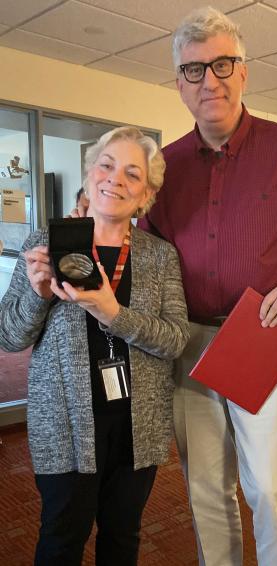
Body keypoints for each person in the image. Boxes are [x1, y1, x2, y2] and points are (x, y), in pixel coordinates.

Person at [138, 7, 277, 566]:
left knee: (268, 487)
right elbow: (146, 252)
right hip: (188, 343)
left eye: (221, 64)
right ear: (179, 84)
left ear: (243, 72)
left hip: (262, 336)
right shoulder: (166, 168)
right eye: (193, 70)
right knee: (206, 491)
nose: (208, 80)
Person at [0, 126, 189, 566]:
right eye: (106, 165)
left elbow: (176, 338)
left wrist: (113, 313)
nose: (115, 179)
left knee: (123, 536)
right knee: (62, 538)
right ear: (89, 175)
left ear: (145, 195)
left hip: (135, 426)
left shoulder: (160, 256)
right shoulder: (42, 244)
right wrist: (38, 294)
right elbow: (9, 336)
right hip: (64, 423)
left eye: (131, 174)